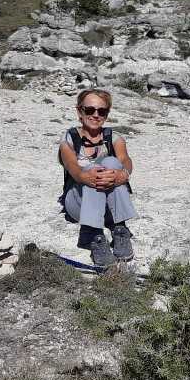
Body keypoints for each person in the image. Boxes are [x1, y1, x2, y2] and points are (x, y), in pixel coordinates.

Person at [58, 89, 136, 266]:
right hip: (79, 202)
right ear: (79, 111)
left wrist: (121, 175)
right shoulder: (69, 139)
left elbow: (125, 161)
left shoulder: (114, 138)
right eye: (89, 110)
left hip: (108, 204)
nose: (95, 115)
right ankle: (93, 234)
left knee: (112, 162)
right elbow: (73, 169)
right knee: (95, 168)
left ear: (107, 114)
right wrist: (87, 176)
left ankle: (119, 229)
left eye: (101, 111)